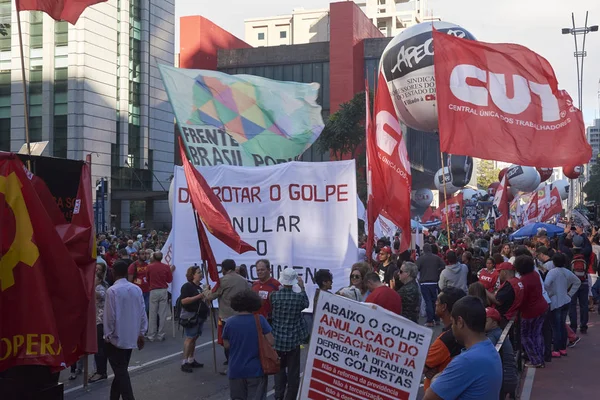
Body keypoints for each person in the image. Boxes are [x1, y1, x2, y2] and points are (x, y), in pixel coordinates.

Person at [424, 296, 502, 400]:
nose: (452, 328)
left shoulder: (468, 360)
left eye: (453, 322)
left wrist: (435, 379)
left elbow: (429, 397)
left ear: (460, 322)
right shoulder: (488, 348)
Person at [103, 260, 147, 400]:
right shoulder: (136, 289)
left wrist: (107, 335)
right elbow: (142, 312)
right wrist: (141, 332)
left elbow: (110, 316)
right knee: (120, 371)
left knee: (121, 372)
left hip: (116, 337)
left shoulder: (112, 291)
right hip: (131, 336)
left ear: (113, 272)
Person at [204, 259, 253, 374]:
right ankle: (243, 363)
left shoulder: (223, 281)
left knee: (228, 344)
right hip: (242, 315)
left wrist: (205, 290)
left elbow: (211, 296)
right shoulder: (243, 280)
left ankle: (232, 366)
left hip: (227, 317)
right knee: (241, 342)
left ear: (224, 269)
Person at [223, 290, 273, 400]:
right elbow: (271, 341)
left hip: (235, 369)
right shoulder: (260, 320)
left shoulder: (230, 322)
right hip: (255, 369)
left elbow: (226, 345)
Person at [270, 268, 309, 400]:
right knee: (293, 373)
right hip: (293, 340)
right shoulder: (298, 298)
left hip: (278, 340)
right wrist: (302, 287)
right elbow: (306, 303)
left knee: (279, 371)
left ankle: (278, 395)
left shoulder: (274, 296)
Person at [422, 287, 466, 391]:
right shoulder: (462, 331)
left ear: (444, 307)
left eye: (437, 300)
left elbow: (419, 367)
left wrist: (429, 369)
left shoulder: (447, 339)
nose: (435, 303)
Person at [513, 255, 548, 368]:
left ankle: (535, 359)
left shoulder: (523, 281)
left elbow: (521, 299)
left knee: (526, 336)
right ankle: (540, 357)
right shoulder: (535, 275)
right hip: (542, 307)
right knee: (537, 334)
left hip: (529, 312)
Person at [544, 253, 581, 357]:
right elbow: (577, 281)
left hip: (555, 302)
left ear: (554, 262)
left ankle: (556, 350)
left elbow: (546, 284)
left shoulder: (552, 272)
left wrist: (550, 293)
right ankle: (562, 348)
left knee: (556, 327)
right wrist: (570, 294)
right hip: (565, 300)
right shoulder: (567, 272)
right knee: (562, 325)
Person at [179, 266, 208, 373]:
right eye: (198, 272)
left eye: (201, 272)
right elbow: (184, 301)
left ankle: (191, 359)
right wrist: (199, 296)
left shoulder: (199, 287)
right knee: (190, 338)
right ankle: (184, 361)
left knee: (194, 338)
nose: (201, 274)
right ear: (193, 275)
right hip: (191, 316)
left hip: (199, 316)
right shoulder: (187, 287)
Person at [485, 307, 518, 400]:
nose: (482, 323)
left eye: (486, 321)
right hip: (509, 377)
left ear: (494, 323)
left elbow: (484, 351)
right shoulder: (498, 332)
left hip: (506, 379)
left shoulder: (493, 335)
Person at [146, 252, 175, 342]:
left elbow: (147, 279)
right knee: (162, 314)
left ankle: (151, 335)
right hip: (163, 290)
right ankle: (160, 334)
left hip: (153, 290)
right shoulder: (166, 267)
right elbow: (169, 280)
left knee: (152, 314)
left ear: (153, 257)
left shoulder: (149, 267)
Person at [417, 243, 446, 327]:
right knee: (435, 302)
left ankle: (430, 320)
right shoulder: (436, 258)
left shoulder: (421, 259)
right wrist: (437, 271)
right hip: (434, 282)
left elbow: (416, 268)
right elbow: (443, 265)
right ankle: (436, 319)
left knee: (428, 301)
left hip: (424, 283)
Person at [89, 271, 109, 383]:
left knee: (100, 348)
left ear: (100, 280)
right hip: (94, 321)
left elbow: (99, 295)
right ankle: (99, 370)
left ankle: (101, 372)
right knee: (97, 348)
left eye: (94, 278)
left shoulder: (100, 288)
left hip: (100, 322)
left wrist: (90, 286)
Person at [569, 235, 590, 334]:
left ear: (573, 243)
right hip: (584, 281)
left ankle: (573, 327)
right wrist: (583, 235)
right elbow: (588, 246)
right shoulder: (586, 253)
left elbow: (561, 245)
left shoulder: (569, 253)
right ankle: (583, 326)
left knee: (572, 305)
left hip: (572, 283)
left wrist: (565, 234)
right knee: (584, 305)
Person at [128, 249, 150, 314]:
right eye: (142, 254)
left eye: (145, 254)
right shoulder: (133, 266)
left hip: (147, 290)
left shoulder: (147, 265)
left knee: (146, 310)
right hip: (138, 291)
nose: (145, 256)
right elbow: (130, 280)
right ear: (138, 255)